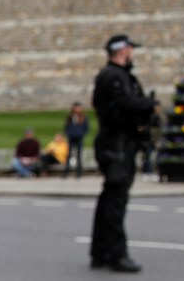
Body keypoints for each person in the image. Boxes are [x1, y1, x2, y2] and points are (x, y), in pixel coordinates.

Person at [89, 33, 157, 273]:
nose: (132, 54)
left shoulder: (115, 76)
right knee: (115, 201)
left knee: (109, 198)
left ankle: (100, 251)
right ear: (122, 50)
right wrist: (149, 106)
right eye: (130, 49)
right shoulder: (114, 77)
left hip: (117, 143)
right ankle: (117, 254)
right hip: (117, 145)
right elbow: (127, 103)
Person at [63, 101, 90, 179]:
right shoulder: (70, 117)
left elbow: (86, 127)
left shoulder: (83, 117)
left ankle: (79, 172)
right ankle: (66, 172)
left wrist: (81, 133)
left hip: (79, 138)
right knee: (69, 155)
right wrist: (69, 133)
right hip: (71, 137)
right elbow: (66, 127)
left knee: (79, 155)